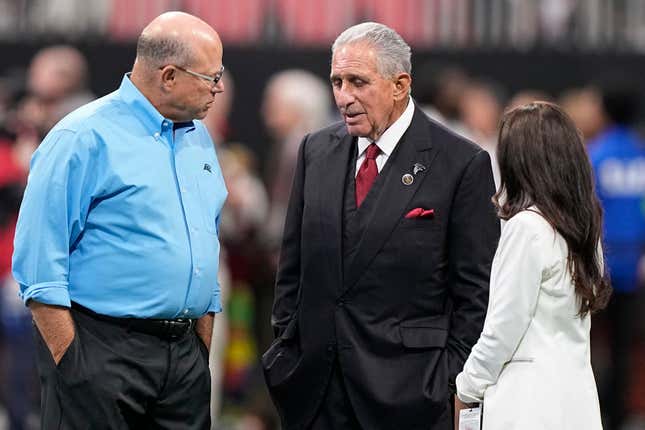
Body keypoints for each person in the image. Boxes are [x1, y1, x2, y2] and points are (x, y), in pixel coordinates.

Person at [263, 22, 500, 430]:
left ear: (400, 84)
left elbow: (477, 295)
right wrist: (288, 349)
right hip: (315, 393)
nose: (343, 97)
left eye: (358, 82)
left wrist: (446, 383)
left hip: (410, 398)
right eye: (337, 82)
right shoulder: (314, 150)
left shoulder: (461, 163)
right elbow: (293, 269)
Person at [12, 11, 227, 429]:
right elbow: (38, 262)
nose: (218, 88)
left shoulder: (199, 138)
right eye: (210, 77)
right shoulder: (82, 137)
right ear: (168, 76)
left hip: (182, 361)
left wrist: (199, 347)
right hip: (101, 350)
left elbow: (205, 240)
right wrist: (73, 362)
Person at [456, 102, 612, 429]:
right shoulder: (585, 230)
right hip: (577, 400)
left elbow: (502, 329)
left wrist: (466, 386)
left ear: (518, 163)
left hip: (527, 405)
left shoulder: (527, 229)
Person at [588, 79, 645, 430]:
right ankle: (620, 413)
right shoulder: (640, 154)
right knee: (624, 346)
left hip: (599, 266)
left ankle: (596, 412)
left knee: (589, 342)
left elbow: (586, 211)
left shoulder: (596, 154)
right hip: (635, 265)